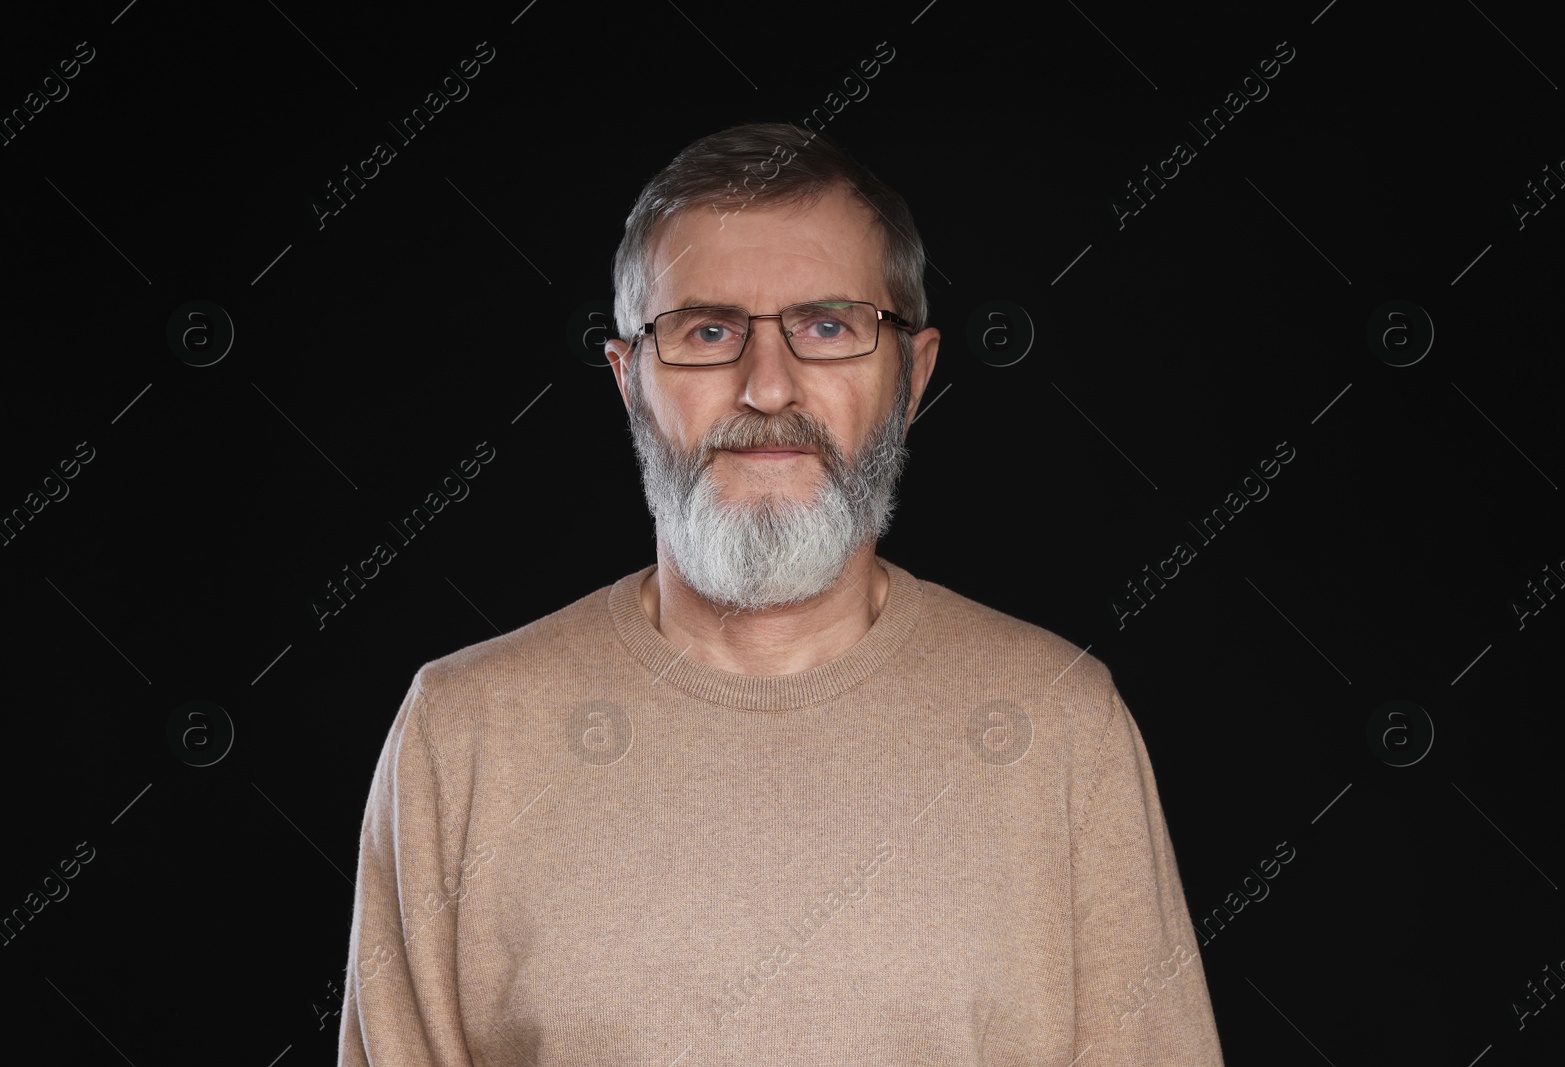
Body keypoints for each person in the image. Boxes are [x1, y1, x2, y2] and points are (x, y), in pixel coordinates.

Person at [338, 122, 1226, 1065]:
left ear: (913, 376)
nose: (767, 387)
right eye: (709, 331)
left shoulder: (1061, 724)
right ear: (631, 381)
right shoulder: (462, 730)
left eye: (829, 326)